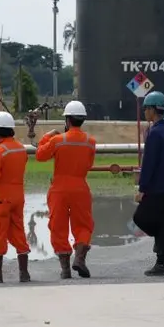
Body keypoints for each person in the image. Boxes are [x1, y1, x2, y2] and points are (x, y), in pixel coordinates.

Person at [35, 100, 96, 279]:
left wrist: (47, 136)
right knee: (83, 224)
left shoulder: (57, 140)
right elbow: (89, 164)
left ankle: (65, 268)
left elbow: (40, 155)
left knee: (58, 226)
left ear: (67, 120)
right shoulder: (90, 142)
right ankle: (80, 258)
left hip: (59, 189)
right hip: (80, 187)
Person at [0, 111, 31, 284]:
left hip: (2, 197)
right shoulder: (20, 148)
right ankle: (24, 273)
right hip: (18, 195)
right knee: (18, 230)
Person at [133, 91, 164, 276]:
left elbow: (149, 163)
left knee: (141, 217)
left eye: (146, 108)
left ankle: (162, 255)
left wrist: (142, 188)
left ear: (153, 110)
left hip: (157, 187)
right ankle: (162, 261)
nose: (145, 111)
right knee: (163, 223)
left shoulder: (154, 133)